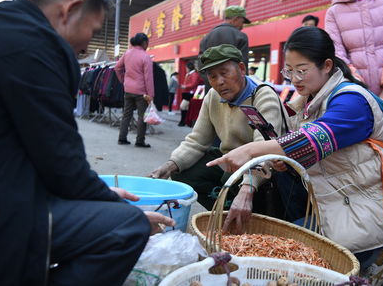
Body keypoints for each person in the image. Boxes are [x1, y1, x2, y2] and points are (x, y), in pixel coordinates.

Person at [0, 0, 174, 286]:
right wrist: (111, 201)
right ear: (70, 10)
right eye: (92, 28)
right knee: (127, 226)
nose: (87, 45)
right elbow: (62, 165)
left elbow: (37, 150)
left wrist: (94, 192)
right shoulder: (36, 47)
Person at [207, 28, 383, 286]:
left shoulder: (352, 101)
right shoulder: (310, 99)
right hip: (336, 195)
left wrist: (250, 150)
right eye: (289, 70)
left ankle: (377, 258)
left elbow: (312, 140)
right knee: (282, 222)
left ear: (327, 65)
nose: (295, 78)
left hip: (369, 204)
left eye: (302, 69)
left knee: (300, 256)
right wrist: (283, 162)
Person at [149, 44, 288, 223]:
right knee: (183, 172)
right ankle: (225, 212)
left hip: (265, 169)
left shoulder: (262, 95)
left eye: (224, 73)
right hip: (230, 161)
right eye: (213, 76)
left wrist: (247, 187)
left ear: (241, 68)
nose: (219, 81)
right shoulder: (213, 96)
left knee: (245, 185)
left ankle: (245, 212)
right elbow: (197, 140)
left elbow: (266, 152)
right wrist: (169, 165)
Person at [115, 32, 154, 148]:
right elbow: (148, 77)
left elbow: (117, 67)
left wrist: (123, 80)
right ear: (144, 43)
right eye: (147, 43)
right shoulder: (145, 56)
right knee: (142, 117)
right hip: (141, 92)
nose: (147, 45)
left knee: (126, 115)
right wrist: (150, 94)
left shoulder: (127, 53)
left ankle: (122, 138)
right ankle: (140, 141)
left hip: (128, 89)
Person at [200, 5, 251, 72]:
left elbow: (201, 63)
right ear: (236, 19)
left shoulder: (206, 37)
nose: (242, 26)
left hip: (211, 80)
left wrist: (210, 80)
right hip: (234, 81)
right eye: (242, 22)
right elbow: (243, 63)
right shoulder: (240, 36)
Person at [177, 61, 204, 127]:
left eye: (186, 67)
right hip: (190, 93)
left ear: (188, 67)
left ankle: (183, 121)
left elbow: (194, 83)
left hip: (192, 93)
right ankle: (185, 121)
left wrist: (185, 86)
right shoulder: (191, 74)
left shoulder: (194, 74)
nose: (186, 69)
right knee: (186, 107)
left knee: (183, 106)